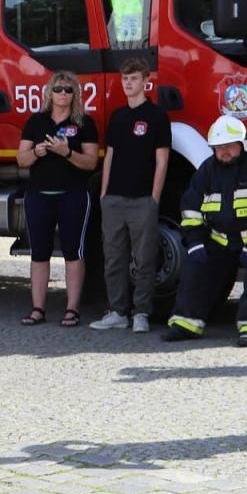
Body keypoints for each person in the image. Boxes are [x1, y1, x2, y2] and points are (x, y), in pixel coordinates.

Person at [162, 116, 247, 345]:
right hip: (219, 241)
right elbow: (190, 207)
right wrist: (195, 241)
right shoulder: (207, 170)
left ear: (244, 144)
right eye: (219, 148)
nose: (224, 152)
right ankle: (186, 323)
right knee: (195, 265)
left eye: (230, 146)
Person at [90, 59, 171, 333]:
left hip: (142, 200)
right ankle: (117, 312)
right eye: (125, 79)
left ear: (145, 81)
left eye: (134, 78)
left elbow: (162, 161)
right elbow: (110, 156)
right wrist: (104, 193)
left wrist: (154, 198)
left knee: (144, 258)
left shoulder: (157, 116)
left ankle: (141, 314)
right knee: (113, 257)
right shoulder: (118, 117)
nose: (128, 83)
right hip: (113, 199)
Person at [16, 72, 98, 327]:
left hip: (73, 195)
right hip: (38, 195)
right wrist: (37, 152)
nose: (63, 94)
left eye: (68, 90)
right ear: (49, 93)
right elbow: (22, 160)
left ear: (75, 95)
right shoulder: (36, 122)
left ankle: (72, 309)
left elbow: (90, 162)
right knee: (39, 253)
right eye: (58, 89)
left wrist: (66, 152)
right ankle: (37, 309)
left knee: (74, 253)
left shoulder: (85, 123)